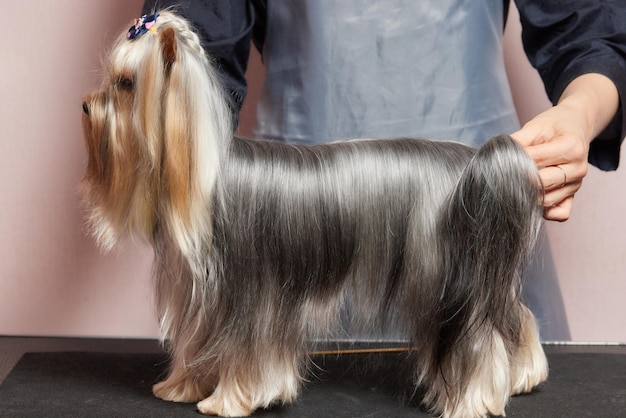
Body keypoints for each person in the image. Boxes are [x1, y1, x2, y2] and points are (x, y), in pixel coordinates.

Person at [142, 0, 626, 341]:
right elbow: (193, 46)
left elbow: (593, 30)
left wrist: (578, 116)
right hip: (291, 235)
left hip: (475, 203)